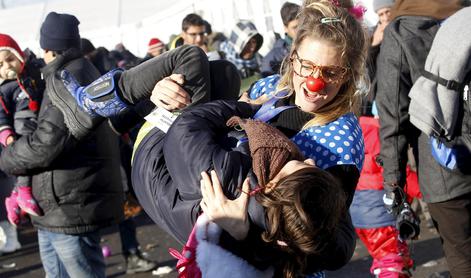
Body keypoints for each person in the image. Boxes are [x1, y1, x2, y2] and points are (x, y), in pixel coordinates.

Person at [0, 12, 124, 278]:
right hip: (58, 208)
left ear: (47, 48)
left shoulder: (68, 77)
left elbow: (46, 143)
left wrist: (8, 156)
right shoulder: (69, 72)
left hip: (71, 207)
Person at [374, 1, 469, 277]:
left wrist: (395, 188)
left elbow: (394, 119)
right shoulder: (466, 12)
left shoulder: (402, 31)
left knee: (463, 257)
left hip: (444, 171)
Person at [0, 33, 44, 225]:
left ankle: (14, 197)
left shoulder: (31, 75)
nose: (7, 67)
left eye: (10, 60)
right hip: (21, 127)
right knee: (26, 157)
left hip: (37, 123)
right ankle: (24, 192)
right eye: (0, 65)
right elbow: (0, 115)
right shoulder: (4, 89)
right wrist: (6, 135)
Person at [260, 2, 300, 77]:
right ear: (285, 28)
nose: (299, 30)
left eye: (302, 25)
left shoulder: (313, 46)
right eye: (295, 27)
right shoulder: (273, 59)